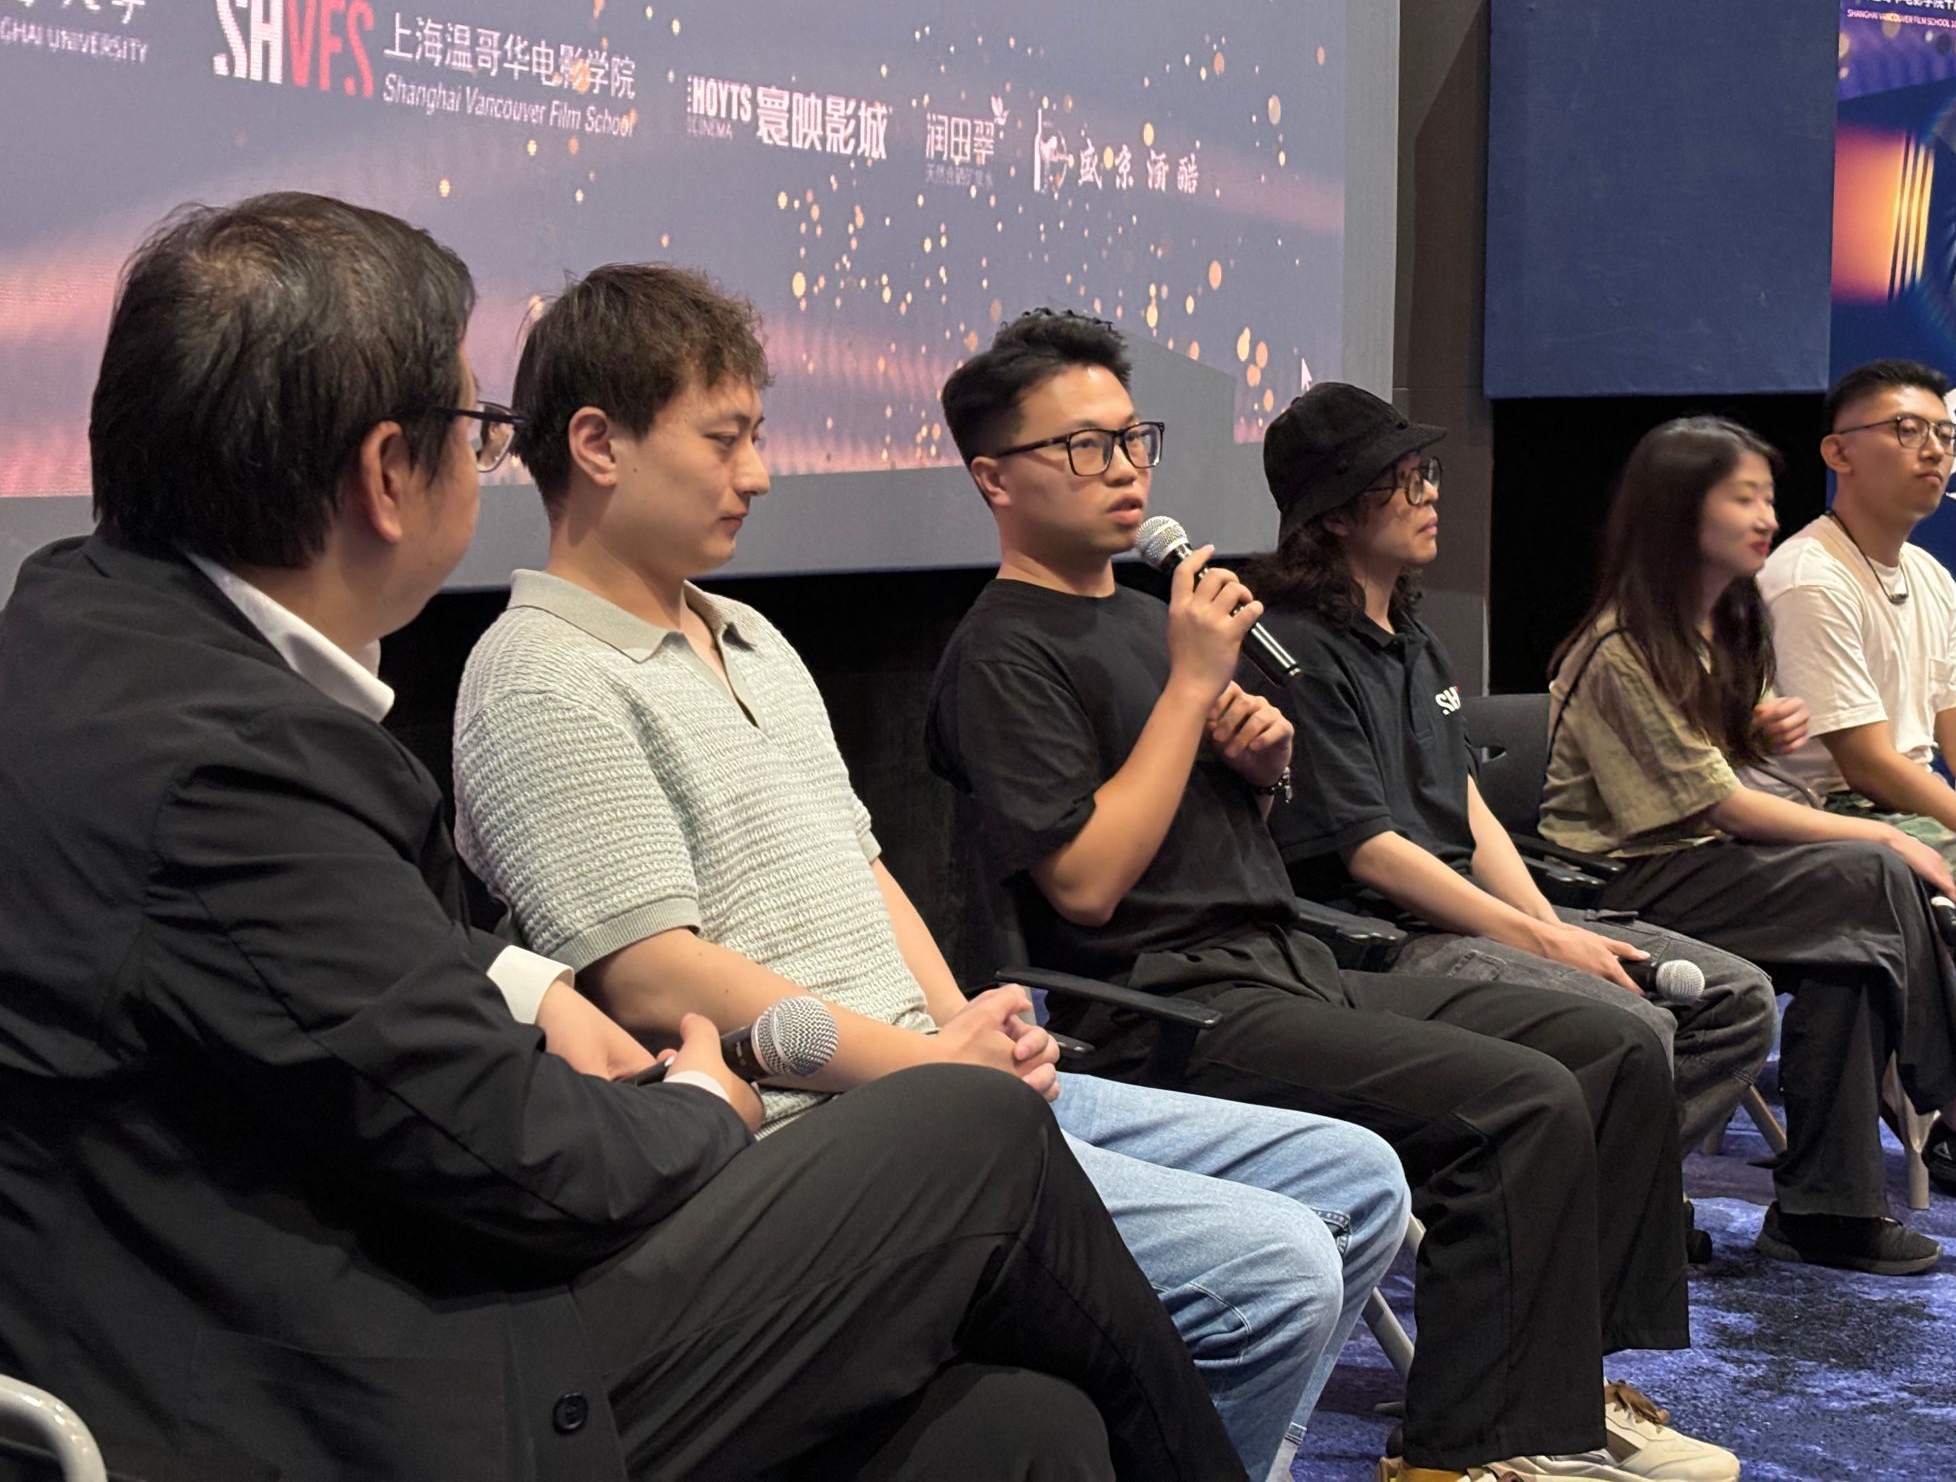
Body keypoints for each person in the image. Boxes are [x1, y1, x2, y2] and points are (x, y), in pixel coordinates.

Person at [0, 194, 1246, 1482]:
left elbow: (333, 954)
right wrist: (708, 1103)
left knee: (1023, 1432)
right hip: (366, 1384)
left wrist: (525, 981)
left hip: (356, 1272)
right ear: (385, 473)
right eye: (476, 431)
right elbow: (529, 1156)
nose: (755, 474)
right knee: (975, 1142)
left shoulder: (83, 631)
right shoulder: (251, 761)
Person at [449, 263, 1410, 1482]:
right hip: (817, 1134)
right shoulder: (537, 674)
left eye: (757, 436)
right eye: (725, 439)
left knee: (1355, 1183)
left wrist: (967, 1024)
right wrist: (939, 1072)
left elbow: (861, 865)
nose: (757, 473)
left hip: (937, 1074)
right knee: (1277, 1270)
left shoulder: (750, 634)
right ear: (597, 444)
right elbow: (649, 978)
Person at [925, 309, 1739, 1482]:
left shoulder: (1154, 619)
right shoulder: (1003, 651)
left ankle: (1561, 1401)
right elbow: (1088, 888)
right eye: (1083, 447)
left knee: (1610, 1046)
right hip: (1165, 1008)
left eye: (1132, 439)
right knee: (1515, 1105)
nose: (1124, 468)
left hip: (1287, 961)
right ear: (994, 478)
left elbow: (1207, 840)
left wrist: (1259, 772)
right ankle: (1467, 1454)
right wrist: (1189, 693)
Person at [1541, 414, 1956, 1277]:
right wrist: (1877, 832)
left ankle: (1828, 1210)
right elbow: (1724, 807)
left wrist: (1751, 730)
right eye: (1743, 498)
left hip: (1697, 862)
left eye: (1769, 498)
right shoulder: (1624, 645)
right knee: (1875, 870)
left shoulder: (1718, 624)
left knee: (1854, 953)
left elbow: (1709, 766)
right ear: (1678, 511)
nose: (1767, 517)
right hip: (1620, 879)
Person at [1245, 382, 1777, 1165]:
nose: (1430, 494)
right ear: (1333, 514)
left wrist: (1548, 928)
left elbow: (1465, 803)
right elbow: (1373, 853)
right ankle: (1590, 1204)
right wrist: (1539, 941)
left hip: (1476, 912)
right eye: (1402, 481)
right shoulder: (1296, 651)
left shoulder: (1416, 640)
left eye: (1426, 473)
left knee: (1738, 1002)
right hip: (1391, 934)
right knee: (1635, 1024)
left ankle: (1605, 1197)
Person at [1757, 358, 1956, 1192]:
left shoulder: (1930, 577)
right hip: (1831, 818)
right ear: (1838, 453)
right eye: (1905, 429)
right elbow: (1870, 764)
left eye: (1944, 435)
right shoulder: (1808, 576)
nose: (1933, 450)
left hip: (1908, 807)